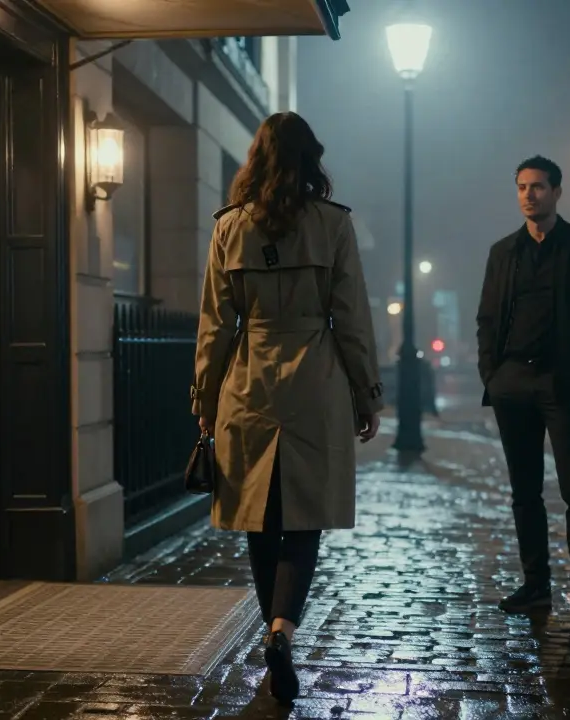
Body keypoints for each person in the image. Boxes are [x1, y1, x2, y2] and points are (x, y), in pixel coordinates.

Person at [191, 112, 383, 703]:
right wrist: (366, 393)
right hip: (315, 382)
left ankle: (271, 630)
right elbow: (350, 320)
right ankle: (282, 630)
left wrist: (204, 397)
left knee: (259, 518)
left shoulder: (230, 228)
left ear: (257, 157)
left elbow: (216, 325)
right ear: (311, 159)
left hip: (249, 383)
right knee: (305, 520)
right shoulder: (333, 225)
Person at [475, 155, 570, 625]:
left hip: (563, 383)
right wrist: (491, 376)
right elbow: (488, 321)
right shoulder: (503, 253)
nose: (528, 195)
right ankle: (536, 586)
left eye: (537, 187)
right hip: (512, 383)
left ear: (557, 191)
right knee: (524, 491)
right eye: (521, 187)